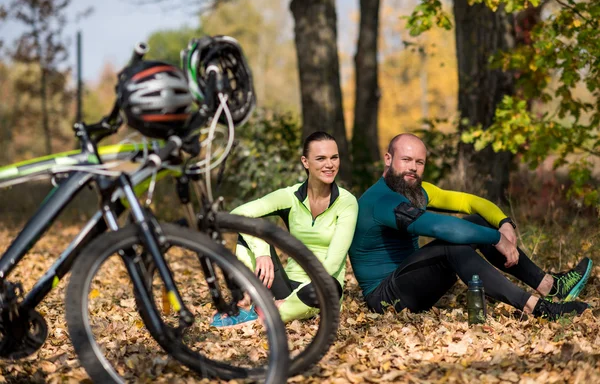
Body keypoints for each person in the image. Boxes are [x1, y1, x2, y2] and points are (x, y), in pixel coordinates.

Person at [348, 133, 592, 320]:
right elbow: (439, 228)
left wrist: (504, 223)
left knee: (475, 222)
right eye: (406, 160)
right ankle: (539, 309)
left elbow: (468, 201)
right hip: (386, 298)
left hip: (413, 281)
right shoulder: (382, 201)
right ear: (388, 159)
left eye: (419, 162)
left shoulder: (417, 191)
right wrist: (496, 238)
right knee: (453, 245)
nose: (413, 167)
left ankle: (550, 286)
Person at [211, 131, 359, 327]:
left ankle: (262, 313)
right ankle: (250, 302)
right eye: (321, 158)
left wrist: (291, 302)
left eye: (334, 157)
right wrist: (262, 251)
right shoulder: (290, 196)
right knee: (246, 235)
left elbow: (332, 264)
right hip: (287, 284)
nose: (329, 164)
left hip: (318, 289)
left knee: (328, 285)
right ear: (305, 162)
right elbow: (238, 215)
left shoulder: (347, 202)